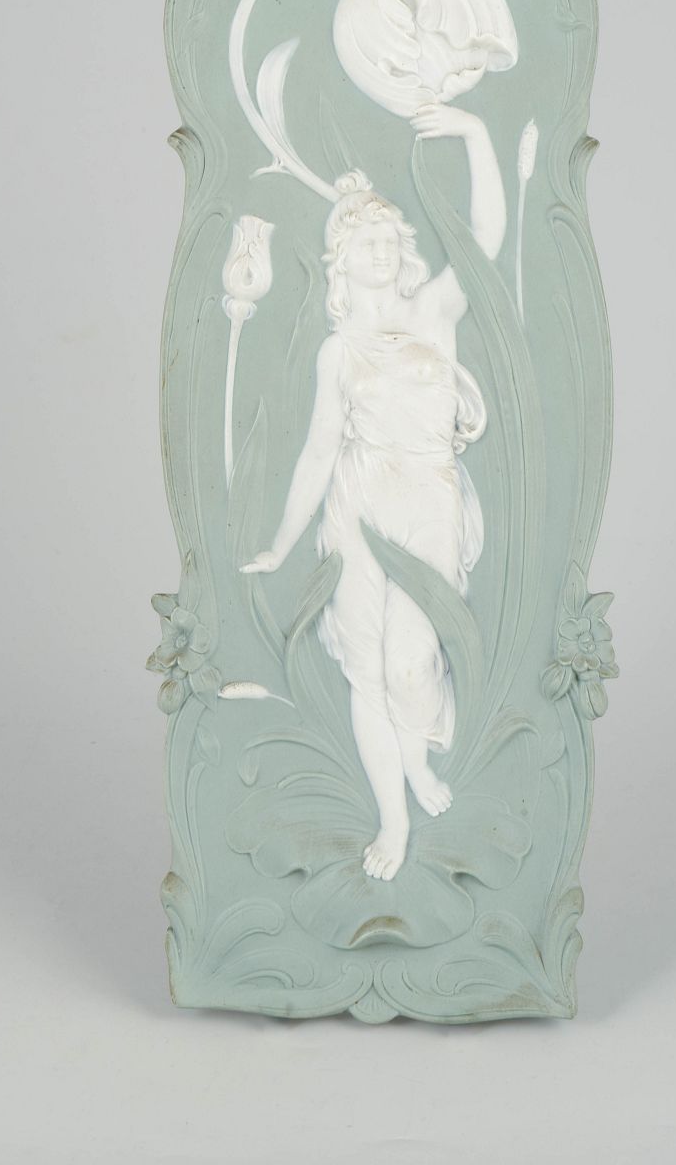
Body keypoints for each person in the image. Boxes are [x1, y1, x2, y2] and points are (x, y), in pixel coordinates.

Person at [242, 103, 506, 880]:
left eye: (392, 239)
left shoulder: (434, 311)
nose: (384, 250)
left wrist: (476, 135)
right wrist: (281, 545)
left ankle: (420, 754)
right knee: (367, 668)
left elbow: (486, 236)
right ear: (343, 260)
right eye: (369, 242)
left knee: (411, 666)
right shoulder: (338, 350)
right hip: (359, 505)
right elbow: (318, 451)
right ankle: (393, 816)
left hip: (428, 497)